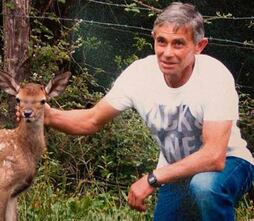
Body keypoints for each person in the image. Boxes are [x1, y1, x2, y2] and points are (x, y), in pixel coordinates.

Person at [40, 2, 254, 220]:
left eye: (178, 44)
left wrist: (153, 178)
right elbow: (91, 119)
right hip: (176, 172)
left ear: (199, 46)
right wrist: (47, 115)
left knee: (205, 187)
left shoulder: (214, 76)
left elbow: (214, 156)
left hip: (230, 163)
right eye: (161, 41)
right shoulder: (140, 74)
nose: (167, 53)